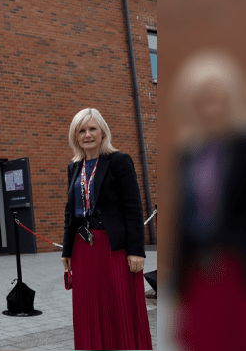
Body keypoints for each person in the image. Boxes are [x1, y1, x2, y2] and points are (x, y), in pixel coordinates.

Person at [169, 49, 246, 350]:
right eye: (201, 102)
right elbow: (183, 219)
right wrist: (178, 286)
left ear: (231, 100)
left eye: (216, 100)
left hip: (241, 270)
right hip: (200, 273)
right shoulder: (190, 154)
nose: (210, 109)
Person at [61, 107, 152, 350]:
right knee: (88, 307)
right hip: (83, 249)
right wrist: (66, 251)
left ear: (102, 132)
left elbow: (133, 208)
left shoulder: (119, 161)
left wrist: (137, 251)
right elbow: (70, 212)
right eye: (81, 130)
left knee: (118, 306)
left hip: (114, 248)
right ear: (75, 136)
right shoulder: (74, 168)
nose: (87, 135)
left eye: (92, 128)